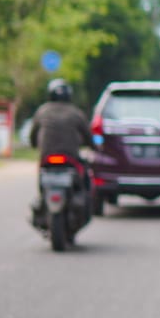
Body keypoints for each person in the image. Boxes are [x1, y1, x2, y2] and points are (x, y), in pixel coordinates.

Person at [28, 79, 94, 226]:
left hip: (46, 158)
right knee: (84, 177)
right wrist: (93, 146)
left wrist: (33, 144)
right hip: (70, 158)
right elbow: (88, 135)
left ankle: (42, 198)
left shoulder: (42, 110)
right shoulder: (76, 112)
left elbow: (33, 135)